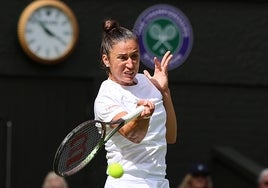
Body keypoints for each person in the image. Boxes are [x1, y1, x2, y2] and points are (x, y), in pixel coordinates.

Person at [94, 18, 177, 188]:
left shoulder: (147, 82)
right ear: (106, 60)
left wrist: (164, 92)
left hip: (160, 181)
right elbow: (134, 135)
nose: (130, 64)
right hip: (128, 182)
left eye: (134, 56)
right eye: (122, 58)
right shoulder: (106, 96)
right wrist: (143, 117)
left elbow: (171, 137)